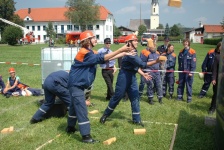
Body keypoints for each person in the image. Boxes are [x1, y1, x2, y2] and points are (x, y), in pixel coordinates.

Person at [66, 30, 133, 143]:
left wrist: (123, 53)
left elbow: (106, 57)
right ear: (87, 41)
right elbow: (102, 59)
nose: (96, 39)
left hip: (77, 85)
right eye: (93, 38)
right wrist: (121, 49)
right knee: (82, 109)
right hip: (75, 85)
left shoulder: (90, 52)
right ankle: (86, 136)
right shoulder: (85, 53)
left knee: (74, 106)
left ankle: (70, 128)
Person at [100, 35, 163, 127]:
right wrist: (156, 61)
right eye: (135, 40)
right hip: (124, 76)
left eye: (137, 40)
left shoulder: (134, 51)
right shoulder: (130, 53)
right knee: (117, 97)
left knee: (135, 97)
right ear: (129, 42)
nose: (137, 42)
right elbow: (142, 64)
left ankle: (136, 120)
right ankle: (105, 115)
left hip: (132, 76)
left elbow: (135, 66)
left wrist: (143, 74)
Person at [143, 38, 164, 104]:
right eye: (152, 46)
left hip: (157, 72)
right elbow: (143, 63)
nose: (154, 47)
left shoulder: (158, 53)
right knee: (150, 85)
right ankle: (150, 99)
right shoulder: (146, 53)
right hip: (149, 71)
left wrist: (162, 63)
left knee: (159, 85)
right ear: (150, 47)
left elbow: (160, 62)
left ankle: (160, 99)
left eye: (155, 46)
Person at [176, 39, 196, 103]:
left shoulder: (192, 52)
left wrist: (191, 72)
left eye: (186, 43)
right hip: (182, 71)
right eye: (184, 42)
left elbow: (193, 63)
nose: (185, 44)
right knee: (180, 84)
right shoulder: (181, 51)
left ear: (189, 43)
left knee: (188, 85)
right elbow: (179, 62)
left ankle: (189, 98)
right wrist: (179, 71)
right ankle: (179, 97)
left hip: (188, 72)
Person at [208, 42, 221, 114]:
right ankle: (212, 108)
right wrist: (213, 79)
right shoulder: (217, 57)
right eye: (220, 47)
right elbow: (214, 69)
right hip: (218, 79)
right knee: (216, 94)